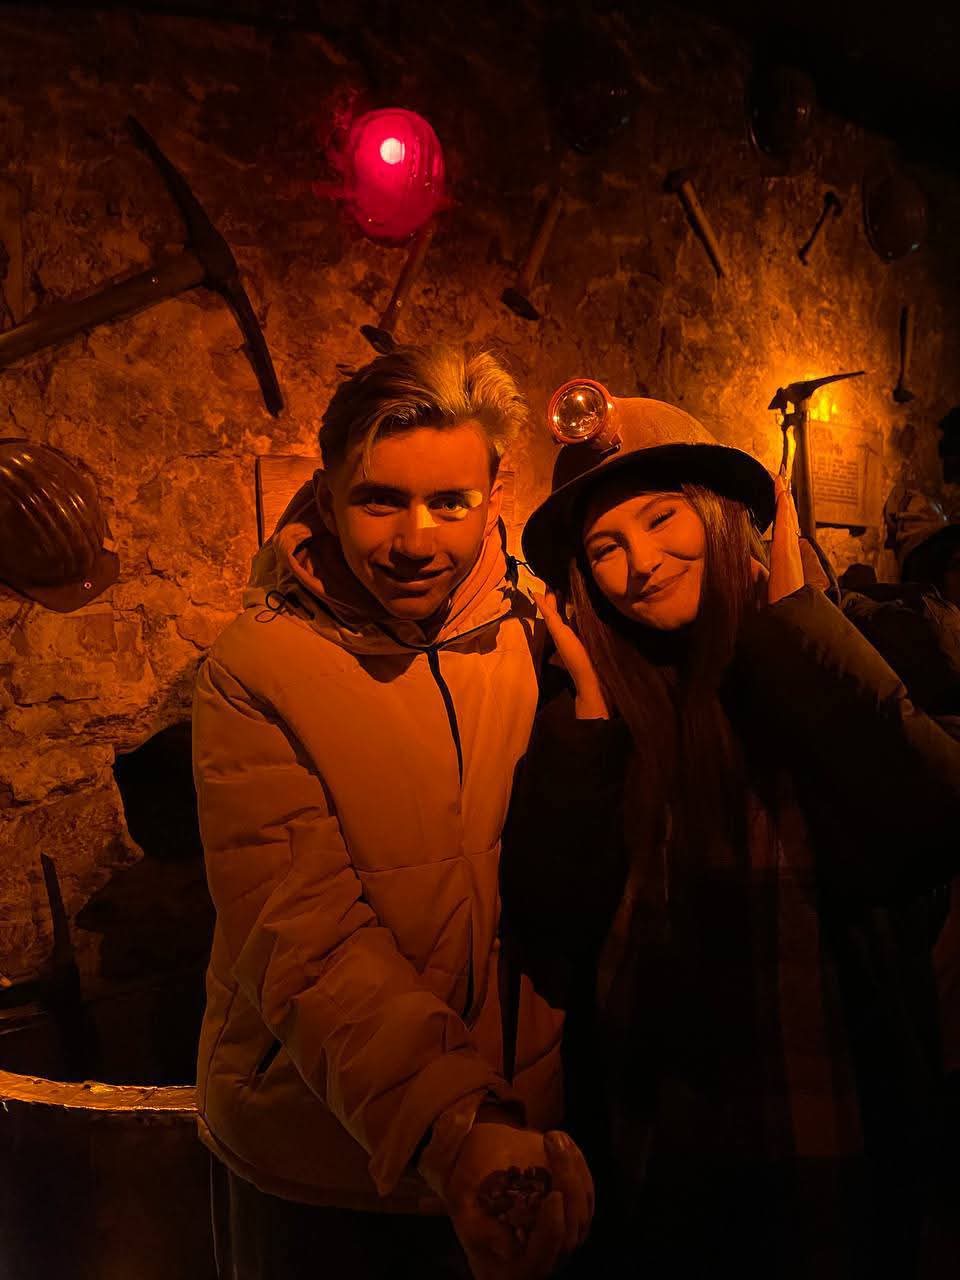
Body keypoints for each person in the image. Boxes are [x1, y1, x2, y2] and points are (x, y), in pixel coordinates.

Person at [499, 380, 960, 1278]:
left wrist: (798, 634)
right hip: (660, 1162)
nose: (640, 563)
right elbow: (551, 932)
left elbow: (930, 824)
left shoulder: (857, 642)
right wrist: (586, 719)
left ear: (721, 515)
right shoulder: (595, 714)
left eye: (661, 518)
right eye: (605, 548)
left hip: (832, 1136)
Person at [192, 345, 592, 1280]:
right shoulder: (254, 672)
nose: (417, 541)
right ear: (329, 496)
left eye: (451, 502)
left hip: (511, 1131)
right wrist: (453, 1122)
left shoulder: (524, 631)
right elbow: (304, 934)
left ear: (493, 496)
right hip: (320, 1151)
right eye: (381, 500)